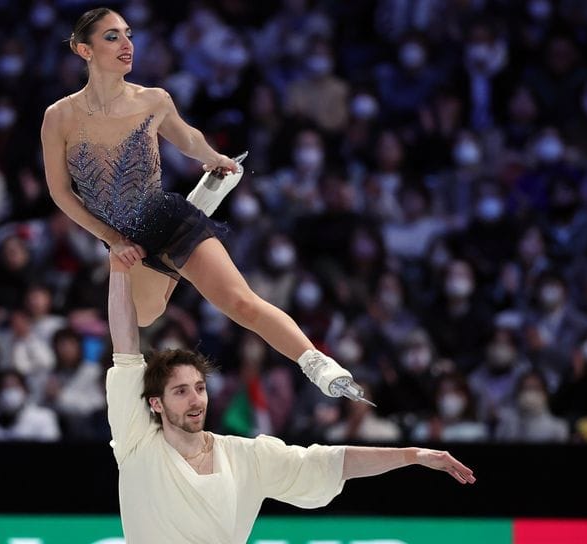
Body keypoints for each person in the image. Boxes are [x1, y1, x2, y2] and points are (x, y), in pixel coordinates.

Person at [40, 7, 362, 401]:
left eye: (128, 34)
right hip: (123, 239)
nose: (127, 45)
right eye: (112, 37)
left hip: (168, 220)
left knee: (239, 302)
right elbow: (60, 192)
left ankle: (317, 363)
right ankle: (201, 201)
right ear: (83, 49)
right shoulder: (59, 117)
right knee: (146, 315)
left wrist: (212, 156)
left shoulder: (153, 100)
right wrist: (113, 240)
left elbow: (187, 137)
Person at [105, 251, 475, 543]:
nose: (196, 399)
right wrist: (118, 268)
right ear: (155, 402)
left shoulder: (245, 458)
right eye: (181, 391)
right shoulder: (137, 440)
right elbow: (125, 347)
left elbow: (332, 463)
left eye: (200, 388)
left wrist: (412, 456)